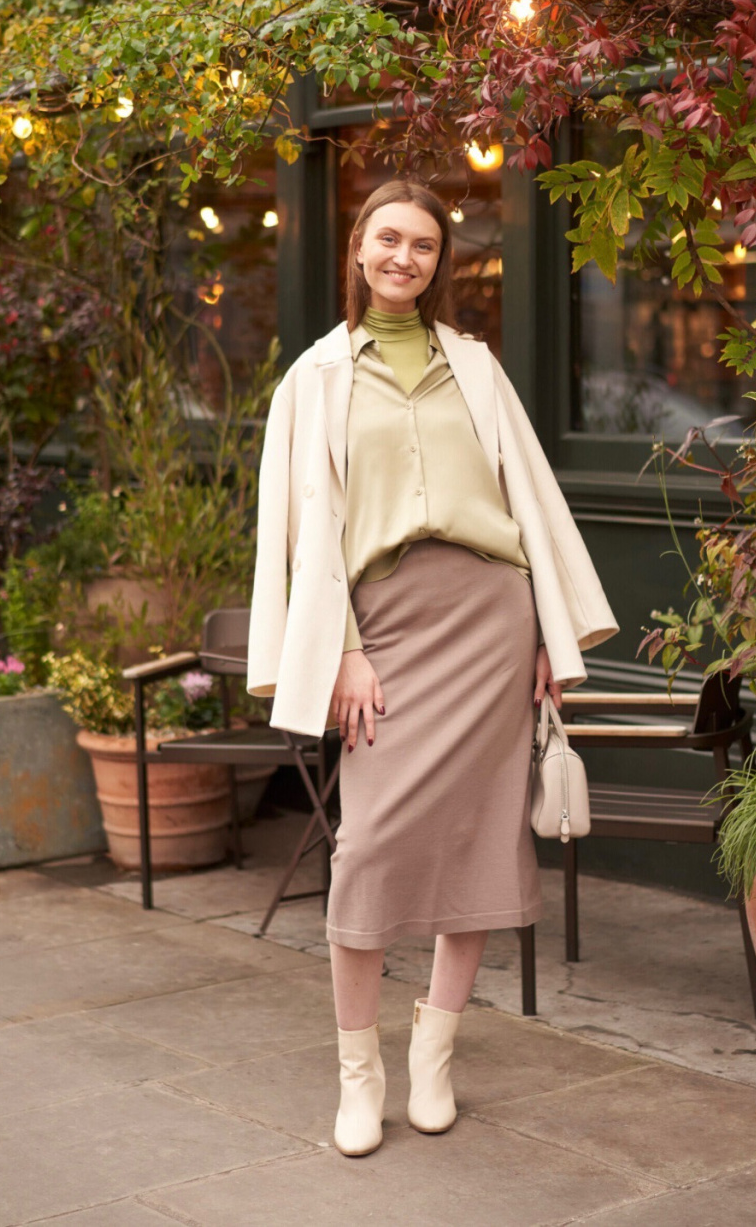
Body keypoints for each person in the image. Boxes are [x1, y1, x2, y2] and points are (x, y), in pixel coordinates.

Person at [248, 178, 618, 1157]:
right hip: (386, 631)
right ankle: (357, 1071)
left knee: (484, 842)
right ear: (359, 249)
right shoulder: (314, 378)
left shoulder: (477, 368)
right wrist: (343, 651)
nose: (404, 257)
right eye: (388, 239)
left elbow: (527, 504)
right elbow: (302, 538)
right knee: (365, 850)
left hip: (493, 624)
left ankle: (435, 1054)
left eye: (422, 244)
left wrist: (549, 635)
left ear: (438, 260)